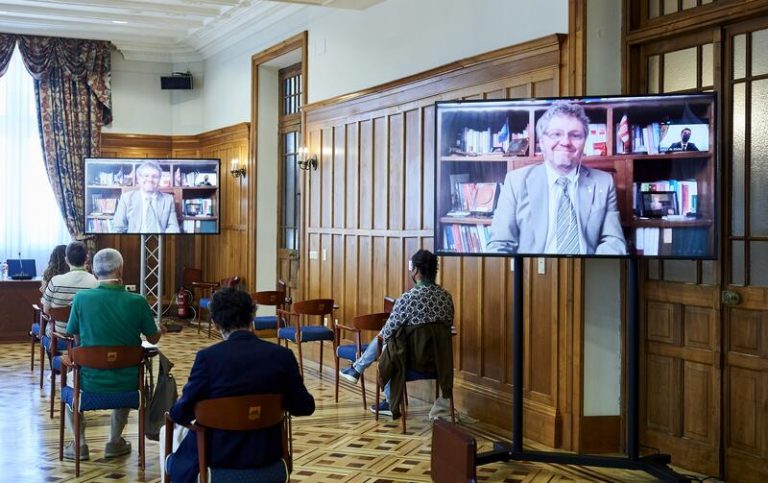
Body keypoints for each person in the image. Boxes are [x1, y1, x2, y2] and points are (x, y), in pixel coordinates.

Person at [162, 287, 315, 483]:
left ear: (216, 323)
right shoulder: (282, 356)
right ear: (252, 317)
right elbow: (305, 407)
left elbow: (181, 414)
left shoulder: (208, 359)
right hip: (267, 457)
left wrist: (175, 411)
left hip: (215, 460)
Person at [486, 101, 627, 255]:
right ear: (542, 142)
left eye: (575, 135)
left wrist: (591, 270)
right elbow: (499, 245)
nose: (566, 142)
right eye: (556, 134)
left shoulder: (604, 183)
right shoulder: (516, 182)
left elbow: (613, 241)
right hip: (533, 273)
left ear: (584, 143)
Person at [63, 248, 162, 461]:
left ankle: (80, 445)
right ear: (120, 269)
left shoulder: (81, 299)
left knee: (69, 384)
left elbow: (71, 334)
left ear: (94, 270)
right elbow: (154, 339)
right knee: (127, 370)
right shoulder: (138, 301)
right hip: (128, 382)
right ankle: (114, 442)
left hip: (89, 381)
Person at [339, 249, 454, 417]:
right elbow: (448, 325)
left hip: (410, 360)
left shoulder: (409, 298)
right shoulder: (446, 297)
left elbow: (388, 330)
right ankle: (357, 369)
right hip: (440, 361)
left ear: (415, 270)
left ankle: (361, 371)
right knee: (391, 340)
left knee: (388, 341)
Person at [41, 241, 98, 336]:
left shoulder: (55, 281)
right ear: (87, 259)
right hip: (87, 334)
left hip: (58, 334)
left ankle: (52, 350)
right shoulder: (96, 283)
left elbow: (46, 311)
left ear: (66, 260)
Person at [112, 161, 180, 233]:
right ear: (139, 179)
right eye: (146, 176)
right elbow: (118, 228)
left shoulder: (168, 200)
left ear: (159, 179)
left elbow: (173, 227)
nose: (150, 179)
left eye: (155, 176)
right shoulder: (126, 199)